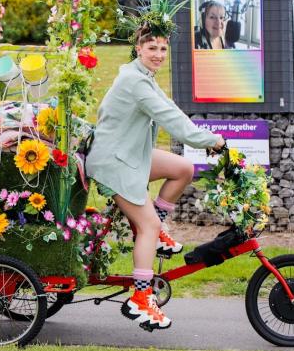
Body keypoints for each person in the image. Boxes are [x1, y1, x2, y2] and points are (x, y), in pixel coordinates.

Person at [85, 21, 225, 330]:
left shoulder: (142, 76)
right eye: (152, 48)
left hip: (130, 153)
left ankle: (157, 228)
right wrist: (209, 140)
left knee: (183, 169)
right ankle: (141, 296)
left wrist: (204, 135)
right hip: (115, 162)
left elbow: (169, 107)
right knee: (146, 225)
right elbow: (170, 120)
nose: (159, 54)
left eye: (163, 48)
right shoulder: (135, 81)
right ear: (138, 48)